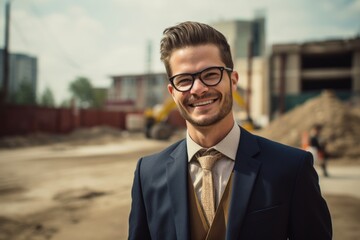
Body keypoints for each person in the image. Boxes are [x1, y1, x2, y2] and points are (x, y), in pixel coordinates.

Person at [128, 21, 332, 240]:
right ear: (172, 92)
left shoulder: (292, 168)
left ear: (233, 81)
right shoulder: (147, 174)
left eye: (211, 74)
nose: (198, 88)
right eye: (184, 80)